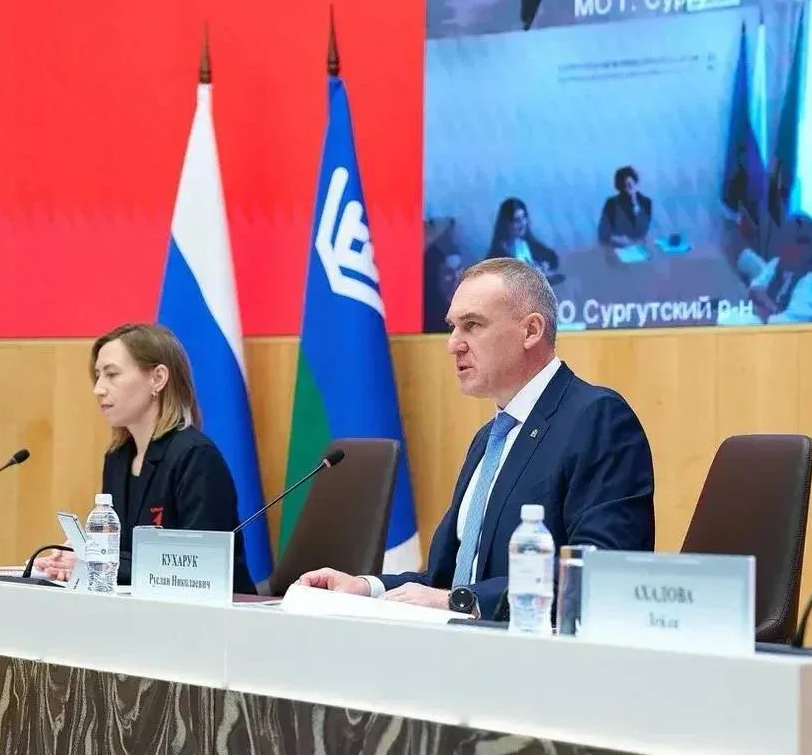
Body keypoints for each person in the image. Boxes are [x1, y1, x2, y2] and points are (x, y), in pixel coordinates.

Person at [298, 257, 656, 619]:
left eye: (472, 325)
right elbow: (446, 582)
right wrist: (367, 587)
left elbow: (598, 575)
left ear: (531, 331)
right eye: (452, 327)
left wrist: (460, 601)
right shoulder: (490, 438)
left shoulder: (596, 418)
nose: (454, 344)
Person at [34, 323, 258, 594]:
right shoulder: (118, 457)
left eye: (112, 375)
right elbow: (121, 550)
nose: (99, 389)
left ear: (157, 379)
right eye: (98, 376)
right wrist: (80, 554)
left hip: (216, 611)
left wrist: (97, 563)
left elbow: (197, 566)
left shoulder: (196, 457)